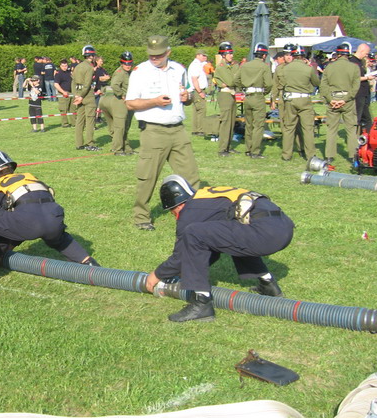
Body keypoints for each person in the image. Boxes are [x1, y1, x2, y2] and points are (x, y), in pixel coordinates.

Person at [144, 175, 293, 323]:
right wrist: (191, 267)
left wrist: (157, 275)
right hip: (282, 226)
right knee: (230, 233)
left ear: (177, 205)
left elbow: (180, 256)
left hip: (265, 233)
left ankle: (202, 303)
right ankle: (268, 284)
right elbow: (213, 246)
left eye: (172, 212)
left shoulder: (188, 211)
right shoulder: (207, 197)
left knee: (193, 233)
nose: (174, 215)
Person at [0, 150, 99, 288]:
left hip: (29, 220)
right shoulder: (29, 176)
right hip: (54, 216)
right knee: (59, 239)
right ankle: (89, 263)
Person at [125, 35, 199, 231]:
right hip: (153, 131)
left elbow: (189, 96)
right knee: (147, 177)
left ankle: (195, 214)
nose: (154, 58)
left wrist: (187, 96)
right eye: (151, 55)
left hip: (178, 129)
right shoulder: (140, 72)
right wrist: (154, 102)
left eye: (159, 55)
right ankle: (141, 217)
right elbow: (130, 103)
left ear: (168, 52)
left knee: (191, 175)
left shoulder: (179, 69)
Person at [319, 42, 360, 164]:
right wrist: (345, 99)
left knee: (331, 129)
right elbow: (355, 87)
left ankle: (329, 155)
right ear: (349, 54)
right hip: (347, 101)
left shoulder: (329, 67)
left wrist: (330, 99)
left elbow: (323, 85)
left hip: (332, 99)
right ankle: (353, 155)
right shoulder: (354, 67)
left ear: (337, 54)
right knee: (351, 129)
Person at [280, 46, 321, 161]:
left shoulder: (285, 68)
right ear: (303, 56)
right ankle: (310, 155)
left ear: (293, 56)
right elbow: (316, 82)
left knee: (289, 128)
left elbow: (283, 82)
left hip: (290, 99)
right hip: (304, 99)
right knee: (307, 128)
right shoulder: (308, 69)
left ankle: (286, 154)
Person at [235, 43, 272, 159]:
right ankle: (255, 151)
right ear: (264, 55)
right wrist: (264, 92)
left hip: (247, 96)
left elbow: (236, 79)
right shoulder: (264, 67)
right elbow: (269, 84)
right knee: (258, 125)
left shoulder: (245, 65)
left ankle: (248, 149)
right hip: (258, 96)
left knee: (249, 124)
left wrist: (242, 89)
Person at [99, 51, 134, 155]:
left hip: (129, 101)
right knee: (120, 127)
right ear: (121, 63)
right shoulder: (120, 72)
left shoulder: (129, 72)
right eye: (125, 63)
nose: (128, 65)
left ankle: (126, 147)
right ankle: (118, 149)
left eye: (129, 63)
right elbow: (114, 85)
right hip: (120, 101)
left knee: (126, 126)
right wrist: (122, 95)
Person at [72, 45, 99, 150]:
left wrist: (76, 95)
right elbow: (87, 84)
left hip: (78, 93)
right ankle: (90, 144)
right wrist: (82, 96)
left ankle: (79, 144)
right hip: (87, 95)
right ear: (92, 56)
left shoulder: (78, 66)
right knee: (90, 120)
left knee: (79, 121)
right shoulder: (89, 67)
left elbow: (73, 82)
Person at [213, 42, 239, 156]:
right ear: (223, 55)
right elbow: (231, 81)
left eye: (232, 53)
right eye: (229, 53)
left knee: (232, 122)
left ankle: (228, 146)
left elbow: (237, 79)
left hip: (232, 94)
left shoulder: (232, 66)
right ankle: (222, 148)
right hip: (225, 95)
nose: (232, 55)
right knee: (226, 122)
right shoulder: (221, 67)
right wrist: (233, 79)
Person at [351, 42, 374, 135]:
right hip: (358, 93)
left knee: (367, 117)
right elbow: (354, 78)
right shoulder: (352, 62)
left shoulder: (360, 62)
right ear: (362, 50)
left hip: (364, 92)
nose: (366, 55)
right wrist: (367, 78)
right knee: (357, 116)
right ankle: (354, 136)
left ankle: (367, 135)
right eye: (366, 53)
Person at [187, 50, 209, 136]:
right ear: (198, 55)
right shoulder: (195, 65)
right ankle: (200, 130)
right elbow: (194, 79)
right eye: (203, 55)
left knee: (196, 110)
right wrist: (200, 92)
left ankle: (195, 129)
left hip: (197, 90)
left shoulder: (199, 64)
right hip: (198, 90)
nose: (205, 57)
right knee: (201, 110)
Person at [54, 59, 73, 127]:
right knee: (63, 109)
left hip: (71, 92)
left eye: (66, 66)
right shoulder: (58, 74)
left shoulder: (69, 72)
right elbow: (56, 84)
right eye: (63, 66)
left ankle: (74, 123)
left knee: (73, 109)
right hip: (63, 93)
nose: (64, 67)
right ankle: (65, 123)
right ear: (60, 66)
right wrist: (63, 92)